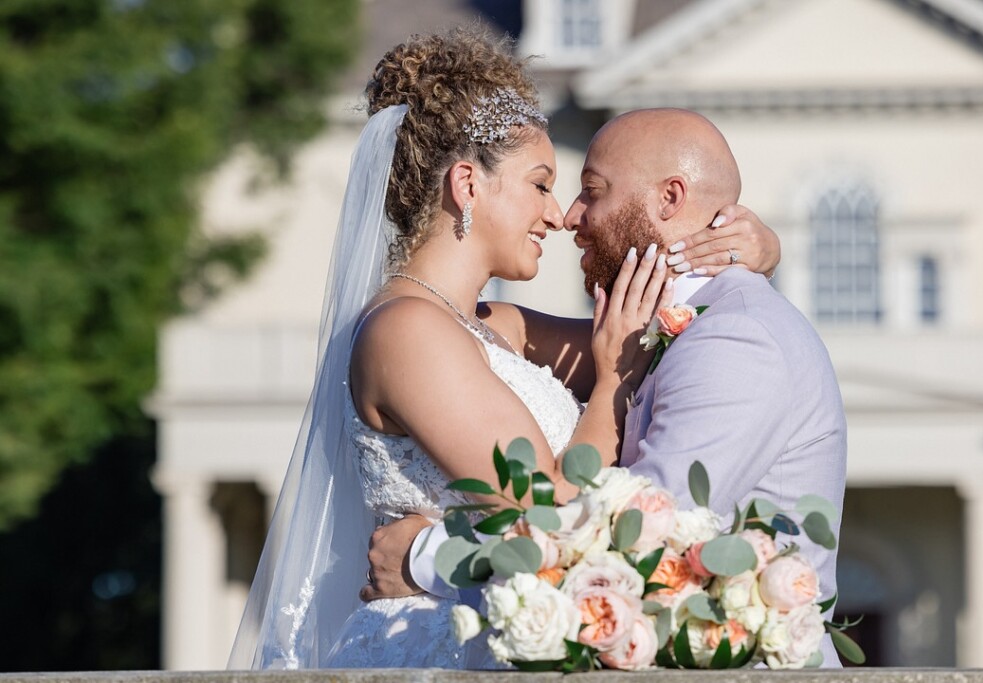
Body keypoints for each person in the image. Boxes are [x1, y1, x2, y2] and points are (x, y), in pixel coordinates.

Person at [228, 29, 781, 671]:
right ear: (467, 184)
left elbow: (663, 335)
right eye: (541, 184)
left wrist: (751, 256)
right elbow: (550, 513)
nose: (558, 215)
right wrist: (607, 387)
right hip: (436, 647)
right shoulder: (405, 334)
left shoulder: (497, 328)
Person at [368, 109, 847, 666]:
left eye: (589, 191)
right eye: (545, 186)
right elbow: (479, 328)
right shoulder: (648, 331)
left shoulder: (737, 339)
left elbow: (636, 545)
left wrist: (427, 557)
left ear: (670, 199)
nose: (569, 216)